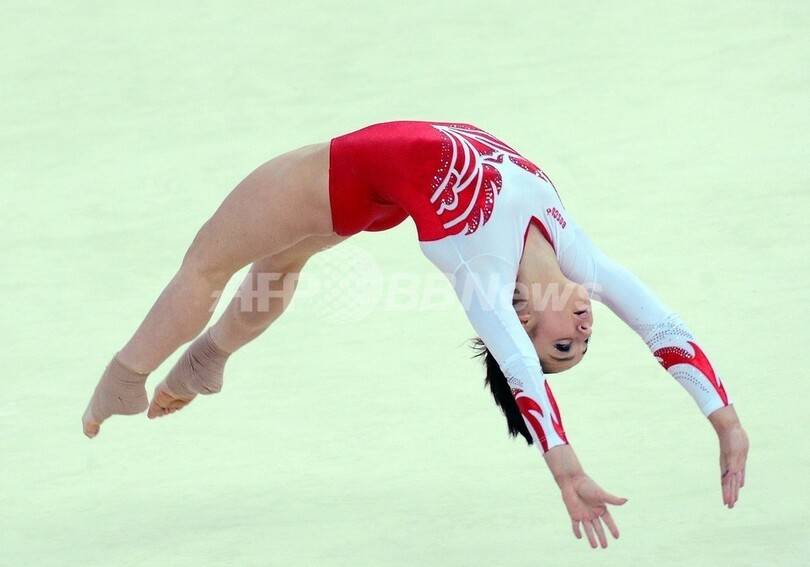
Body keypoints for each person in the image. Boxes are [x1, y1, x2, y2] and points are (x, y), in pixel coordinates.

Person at [82, 121, 749, 549]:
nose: (584, 329)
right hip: (377, 191)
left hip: (337, 176)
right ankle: (207, 358)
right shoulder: (576, 254)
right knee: (280, 264)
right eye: (581, 344)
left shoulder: (485, 272)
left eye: (565, 347)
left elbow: (519, 368)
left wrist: (565, 466)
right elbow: (659, 323)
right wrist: (724, 419)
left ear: (522, 321)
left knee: (206, 264)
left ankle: (125, 378)